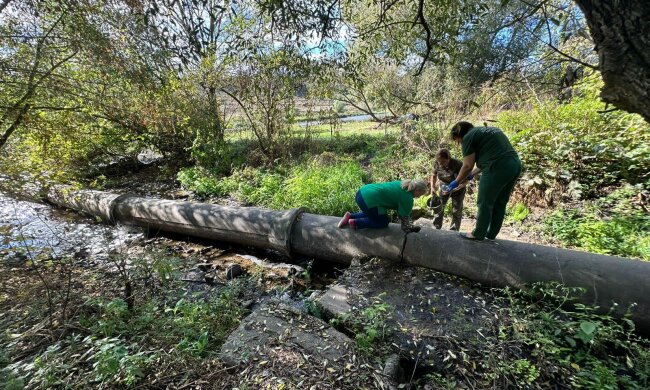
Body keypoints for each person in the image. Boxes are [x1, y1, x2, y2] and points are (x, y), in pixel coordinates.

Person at [447, 121, 522, 241]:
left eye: (457, 141)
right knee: (500, 202)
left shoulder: (468, 137)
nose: (459, 143)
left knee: (484, 202)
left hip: (496, 168)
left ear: (459, 135)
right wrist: (471, 175)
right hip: (514, 165)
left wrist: (456, 181)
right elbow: (490, 157)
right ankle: (491, 234)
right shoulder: (487, 130)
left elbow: (467, 165)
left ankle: (478, 234)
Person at [338, 179, 427, 233]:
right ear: (417, 190)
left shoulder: (403, 183)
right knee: (383, 222)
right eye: (421, 194)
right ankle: (356, 223)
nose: (419, 197)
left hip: (361, 193)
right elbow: (404, 219)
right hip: (369, 200)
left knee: (374, 214)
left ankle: (350, 216)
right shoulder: (408, 198)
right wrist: (409, 230)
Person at [430, 148, 467, 231]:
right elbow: (433, 175)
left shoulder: (458, 164)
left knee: (456, 211)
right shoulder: (437, 163)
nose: (440, 163)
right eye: (439, 161)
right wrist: (432, 187)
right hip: (444, 188)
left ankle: (454, 230)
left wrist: (458, 187)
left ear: (448, 159)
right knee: (439, 208)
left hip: (458, 189)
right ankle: (436, 227)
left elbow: (467, 179)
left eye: (443, 161)